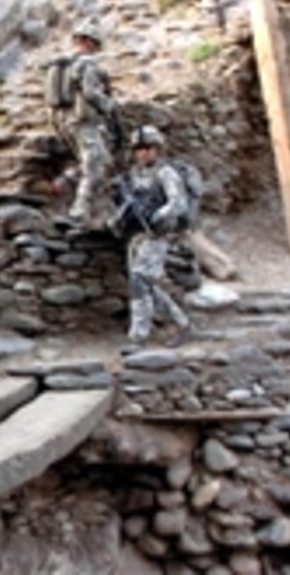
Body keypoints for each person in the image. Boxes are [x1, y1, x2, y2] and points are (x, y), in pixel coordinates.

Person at [107, 125, 195, 345]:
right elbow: (128, 203)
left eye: (148, 148)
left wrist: (158, 215)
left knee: (139, 281)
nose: (143, 153)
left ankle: (138, 336)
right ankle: (182, 323)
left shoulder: (166, 173)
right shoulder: (134, 176)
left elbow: (178, 203)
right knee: (145, 283)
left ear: (158, 149)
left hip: (156, 235)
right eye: (139, 149)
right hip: (136, 236)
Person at [48, 19, 120, 229]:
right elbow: (90, 93)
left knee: (94, 159)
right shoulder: (86, 64)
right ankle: (78, 212)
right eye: (96, 45)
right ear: (89, 42)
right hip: (82, 122)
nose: (96, 49)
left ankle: (61, 183)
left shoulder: (60, 63)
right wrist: (109, 105)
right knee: (95, 165)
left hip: (61, 121)